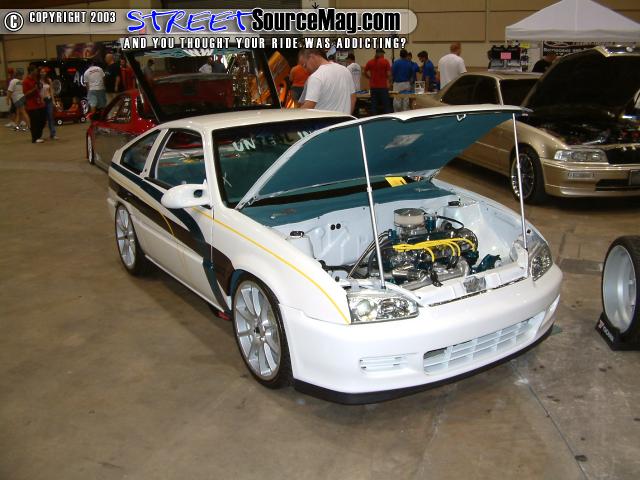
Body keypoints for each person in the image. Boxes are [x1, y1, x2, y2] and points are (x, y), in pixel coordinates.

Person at [298, 48, 355, 115]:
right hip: (345, 120)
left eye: (305, 65)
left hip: (323, 121)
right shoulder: (345, 70)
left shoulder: (316, 77)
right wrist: (347, 116)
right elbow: (353, 98)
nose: (305, 70)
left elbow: (308, 107)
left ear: (312, 57)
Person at [22, 65, 46, 143]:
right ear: (31, 71)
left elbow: (38, 90)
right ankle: (35, 138)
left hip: (39, 103)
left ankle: (38, 135)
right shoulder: (25, 81)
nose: (36, 72)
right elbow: (26, 94)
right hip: (31, 105)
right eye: (35, 70)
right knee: (35, 122)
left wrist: (41, 98)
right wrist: (34, 89)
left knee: (43, 120)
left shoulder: (35, 79)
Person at [364, 48, 391, 115]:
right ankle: (387, 119)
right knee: (386, 105)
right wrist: (388, 80)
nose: (383, 55)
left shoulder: (370, 62)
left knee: (374, 105)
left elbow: (364, 72)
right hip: (383, 87)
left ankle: (374, 118)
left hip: (373, 87)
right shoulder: (385, 61)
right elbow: (388, 74)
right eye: (383, 54)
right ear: (381, 53)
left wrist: (369, 77)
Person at [40, 68, 57, 139]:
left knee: (50, 116)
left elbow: (51, 90)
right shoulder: (38, 81)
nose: (43, 73)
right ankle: (40, 135)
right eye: (41, 72)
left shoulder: (49, 80)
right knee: (42, 118)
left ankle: (53, 133)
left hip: (49, 99)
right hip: (41, 100)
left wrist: (53, 100)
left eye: (44, 72)